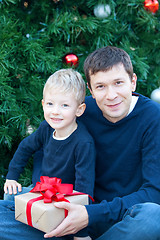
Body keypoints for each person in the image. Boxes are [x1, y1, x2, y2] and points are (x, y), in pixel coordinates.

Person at [1, 46, 160, 240]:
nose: (111, 95)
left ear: (132, 82)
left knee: (152, 217)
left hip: (118, 221)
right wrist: (45, 195)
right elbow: (43, 145)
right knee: (10, 201)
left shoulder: (152, 118)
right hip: (66, 214)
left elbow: (153, 193)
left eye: (118, 83)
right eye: (101, 86)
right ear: (90, 90)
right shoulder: (79, 109)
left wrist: (89, 215)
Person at [1, 68, 95, 240]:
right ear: (43, 104)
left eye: (65, 105)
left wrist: (81, 233)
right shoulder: (46, 128)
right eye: (50, 104)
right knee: (9, 195)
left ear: (79, 109)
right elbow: (25, 147)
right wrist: (12, 176)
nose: (55, 111)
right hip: (41, 194)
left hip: (65, 203)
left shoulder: (83, 143)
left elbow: (84, 189)